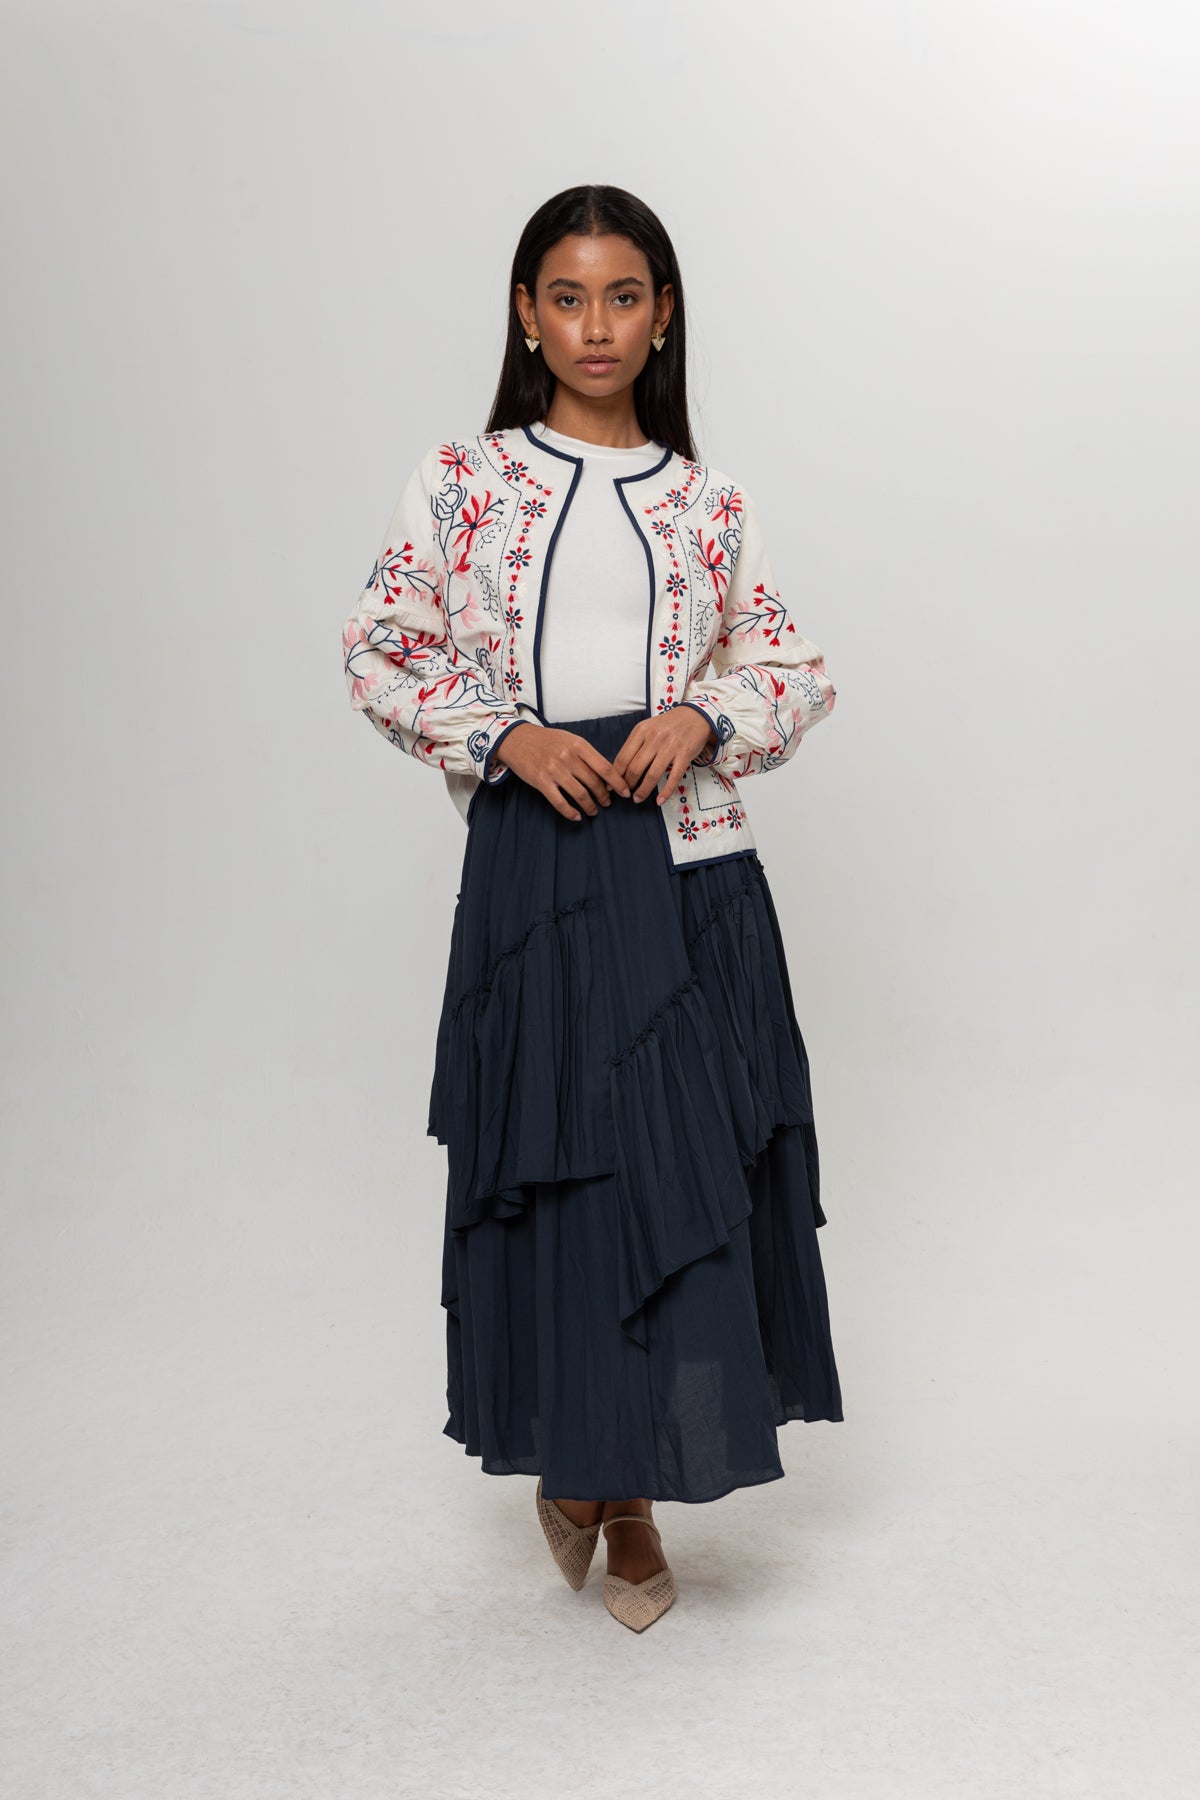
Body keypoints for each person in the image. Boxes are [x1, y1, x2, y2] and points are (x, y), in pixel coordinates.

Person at [341, 183, 844, 1633]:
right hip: (543, 864)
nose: (597, 326)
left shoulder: (710, 502)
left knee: (676, 1174)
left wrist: (707, 713)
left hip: (688, 865)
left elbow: (796, 668)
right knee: (568, 1171)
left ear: (663, 314)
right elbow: (380, 647)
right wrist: (505, 735)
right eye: (567, 298)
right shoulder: (463, 481)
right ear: (526, 315)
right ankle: (589, 1469)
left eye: (624, 297)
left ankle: (632, 1495)